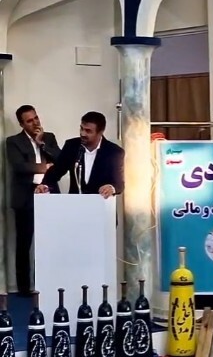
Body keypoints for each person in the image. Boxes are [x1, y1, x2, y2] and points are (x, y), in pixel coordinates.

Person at [6, 105, 61, 296]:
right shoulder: (13, 141)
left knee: (51, 242)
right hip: (26, 197)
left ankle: (49, 284)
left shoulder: (49, 138)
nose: (35, 122)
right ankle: (23, 290)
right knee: (24, 244)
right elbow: (19, 166)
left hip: (49, 193)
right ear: (22, 124)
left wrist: (42, 143)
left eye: (36, 118)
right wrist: (45, 167)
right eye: (29, 121)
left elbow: (61, 160)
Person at [35, 111, 124, 198]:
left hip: (101, 204)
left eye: (88, 131)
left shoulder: (114, 152)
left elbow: (119, 184)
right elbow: (56, 171)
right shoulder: (71, 146)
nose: (82, 133)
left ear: (100, 132)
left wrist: (111, 188)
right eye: (81, 128)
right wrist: (44, 185)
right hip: (75, 204)